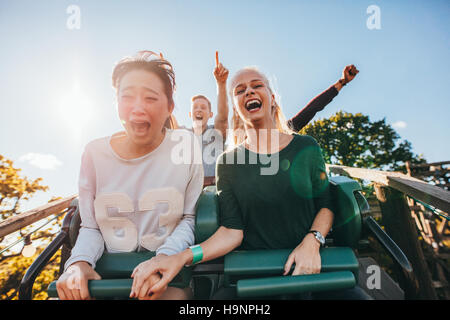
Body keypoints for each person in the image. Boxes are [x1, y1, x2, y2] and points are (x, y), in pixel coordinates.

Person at [131, 65, 370, 300]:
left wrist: (313, 241)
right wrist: (181, 257)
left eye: (257, 86)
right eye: (240, 90)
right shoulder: (228, 163)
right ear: (236, 106)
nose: (249, 92)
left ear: (272, 98)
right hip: (254, 275)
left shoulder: (305, 146)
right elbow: (231, 231)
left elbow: (326, 204)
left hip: (312, 269)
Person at [55, 51, 203, 300]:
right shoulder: (94, 153)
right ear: (116, 102)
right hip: (106, 278)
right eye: (127, 97)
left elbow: (189, 219)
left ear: (170, 107)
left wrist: (163, 259)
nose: (137, 108)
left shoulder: (186, 146)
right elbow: (91, 226)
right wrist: (79, 262)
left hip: (166, 280)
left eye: (150, 98)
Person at [182, 51, 229, 186]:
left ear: (210, 114)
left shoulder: (216, 133)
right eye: (195, 107)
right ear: (190, 114)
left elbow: (223, 118)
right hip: (186, 191)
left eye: (203, 107)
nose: (199, 109)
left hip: (212, 191)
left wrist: (221, 84)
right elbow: (167, 119)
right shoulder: (183, 134)